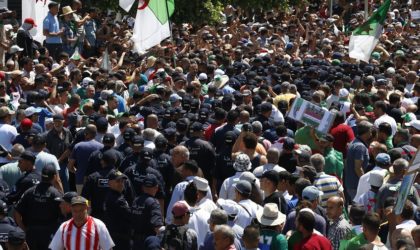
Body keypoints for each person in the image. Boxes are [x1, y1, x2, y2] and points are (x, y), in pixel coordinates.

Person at [14, 164, 62, 250]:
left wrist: (23, 230)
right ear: (54, 176)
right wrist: (58, 183)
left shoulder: (29, 191)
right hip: (49, 234)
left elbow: (16, 212)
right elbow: (64, 211)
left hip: (31, 233)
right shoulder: (56, 194)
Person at [49, 196, 115, 250]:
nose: (78, 214)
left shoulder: (98, 225)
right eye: (75, 211)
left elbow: (108, 248)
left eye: (81, 211)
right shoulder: (64, 227)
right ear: (71, 210)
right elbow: (55, 248)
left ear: (87, 209)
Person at [67, 124, 103, 194]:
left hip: (80, 180)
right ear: (96, 134)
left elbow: (69, 166)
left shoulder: (78, 146)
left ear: (85, 133)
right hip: (97, 181)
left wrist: (77, 172)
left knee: (82, 203)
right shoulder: (101, 147)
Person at [130, 174, 164, 248]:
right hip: (149, 243)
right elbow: (158, 227)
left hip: (135, 243)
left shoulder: (135, 201)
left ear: (143, 187)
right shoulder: (154, 203)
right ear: (156, 188)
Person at [103, 170, 131, 250]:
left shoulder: (111, 195)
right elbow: (130, 215)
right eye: (118, 181)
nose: (121, 184)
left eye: (122, 181)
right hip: (119, 238)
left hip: (113, 235)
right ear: (109, 183)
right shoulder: (118, 200)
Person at [345, 121, 372, 202]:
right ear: (366, 132)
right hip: (356, 185)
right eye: (370, 131)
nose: (371, 133)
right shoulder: (360, 147)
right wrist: (365, 183)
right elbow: (358, 168)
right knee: (359, 208)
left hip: (351, 183)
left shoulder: (354, 142)